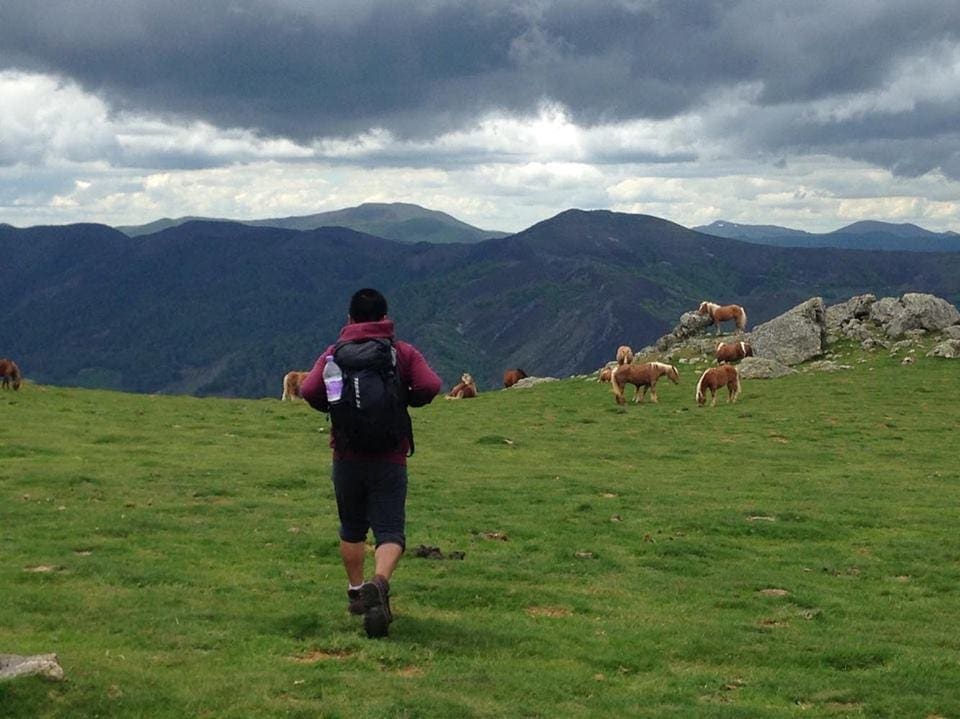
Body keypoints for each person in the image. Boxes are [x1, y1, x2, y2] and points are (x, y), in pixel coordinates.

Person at [300, 288, 442, 638]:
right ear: (384, 318)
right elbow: (431, 385)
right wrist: (403, 398)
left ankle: (355, 592)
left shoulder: (334, 353)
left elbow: (309, 390)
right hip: (390, 456)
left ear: (349, 319)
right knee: (390, 530)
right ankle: (379, 583)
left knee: (351, 527)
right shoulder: (401, 352)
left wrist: (336, 408)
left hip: (346, 454)